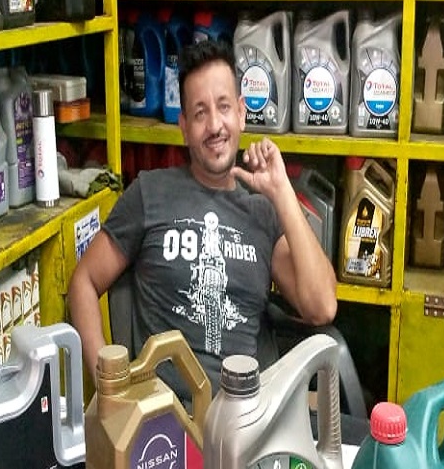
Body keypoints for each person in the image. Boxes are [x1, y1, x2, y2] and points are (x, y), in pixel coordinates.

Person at [68, 39, 337, 400]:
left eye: (223, 107)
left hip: (245, 413)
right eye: (199, 113)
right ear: (184, 127)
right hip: (164, 417)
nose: (214, 125)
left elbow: (322, 306)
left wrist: (282, 192)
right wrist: (109, 388)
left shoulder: (261, 211)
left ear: (241, 113)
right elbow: (83, 282)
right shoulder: (150, 193)